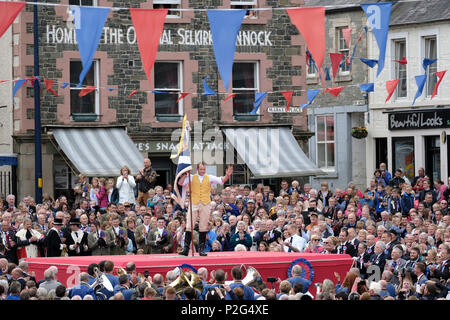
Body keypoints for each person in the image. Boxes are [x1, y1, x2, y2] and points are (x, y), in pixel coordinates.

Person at [178, 162, 233, 256]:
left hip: (205, 203)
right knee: (189, 225)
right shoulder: (191, 177)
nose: (203, 171)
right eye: (201, 169)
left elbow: (222, 180)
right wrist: (184, 174)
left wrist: (227, 175)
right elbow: (180, 183)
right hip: (194, 202)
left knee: (203, 226)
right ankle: (186, 248)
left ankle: (201, 249)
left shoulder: (209, 177)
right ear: (197, 169)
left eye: (204, 169)